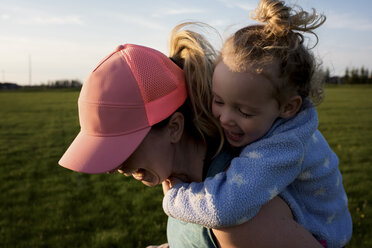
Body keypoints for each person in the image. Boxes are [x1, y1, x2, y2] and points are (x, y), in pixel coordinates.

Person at [58, 24, 324, 247]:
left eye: (124, 148)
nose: (116, 167)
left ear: (174, 127)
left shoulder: (237, 211)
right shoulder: (187, 190)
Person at [162, 0, 353, 247]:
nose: (225, 118)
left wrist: (175, 197)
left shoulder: (286, 146)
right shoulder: (270, 120)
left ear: (288, 107)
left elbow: (227, 206)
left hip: (317, 237)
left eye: (244, 111)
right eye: (218, 100)